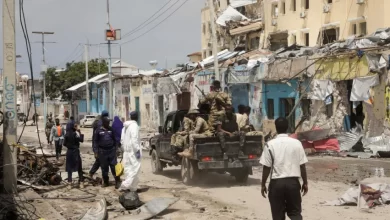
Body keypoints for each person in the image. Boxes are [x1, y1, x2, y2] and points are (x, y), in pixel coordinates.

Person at [260, 117, 308, 220]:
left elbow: (266, 167)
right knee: (295, 213)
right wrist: (305, 182)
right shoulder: (297, 143)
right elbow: (302, 166)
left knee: (278, 216)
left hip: (276, 184)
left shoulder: (270, 144)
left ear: (276, 128)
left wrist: (263, 184)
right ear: (288, 127)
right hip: (293, 184)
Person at [94, 116, 121, 188]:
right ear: (104, 122)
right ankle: (106, 182)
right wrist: (96, 152)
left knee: (114, 167)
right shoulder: (98, 130)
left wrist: (116, 149)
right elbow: (95, 142)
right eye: (107, 122)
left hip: (111, 151)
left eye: (109, 122)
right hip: (102, 151)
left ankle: (117, 181)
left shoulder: (111, 129)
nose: (108, 123)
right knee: (104, 168)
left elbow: (115, 140)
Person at [119, 111, 141, 192]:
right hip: (133, 152)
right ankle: (125, 185)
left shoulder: (125, 127)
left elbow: (122, 140)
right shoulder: (134, 126)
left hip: (126, 152)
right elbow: (134, 140)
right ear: (137, 117)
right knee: (135, 169)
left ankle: (132, 188)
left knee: (128, 170)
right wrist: (137, 151)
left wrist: (124, 149)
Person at [63, 121, 84, 189]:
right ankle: (81, 183)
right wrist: (80, 132)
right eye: (75, 126)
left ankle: (69, 183)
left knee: (69, 168)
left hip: (69, 152)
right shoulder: (75, 134)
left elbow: (64, 144)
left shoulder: (67, 134)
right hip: (75, 152)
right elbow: (81, 140)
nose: (76, 127)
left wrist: (70, 146)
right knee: (79, 167)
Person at [89, 110, 109, 178]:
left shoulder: (97, 122)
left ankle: (91, 173)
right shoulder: (101, 123)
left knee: (99, 161)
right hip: (99, 145)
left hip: (97, 144)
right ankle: (103, 178)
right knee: (101, 161)